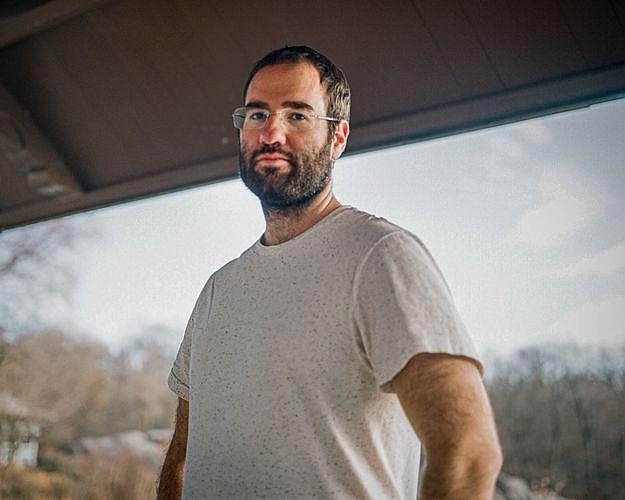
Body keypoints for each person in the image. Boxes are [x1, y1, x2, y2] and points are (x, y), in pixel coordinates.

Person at [158, 46, 502, 500]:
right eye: (257, 114)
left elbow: (468, 454)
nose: (271, 133)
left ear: (338, 138)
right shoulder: (218, 290)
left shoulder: (382, 256)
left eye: (297, 116)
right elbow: (180, 461)